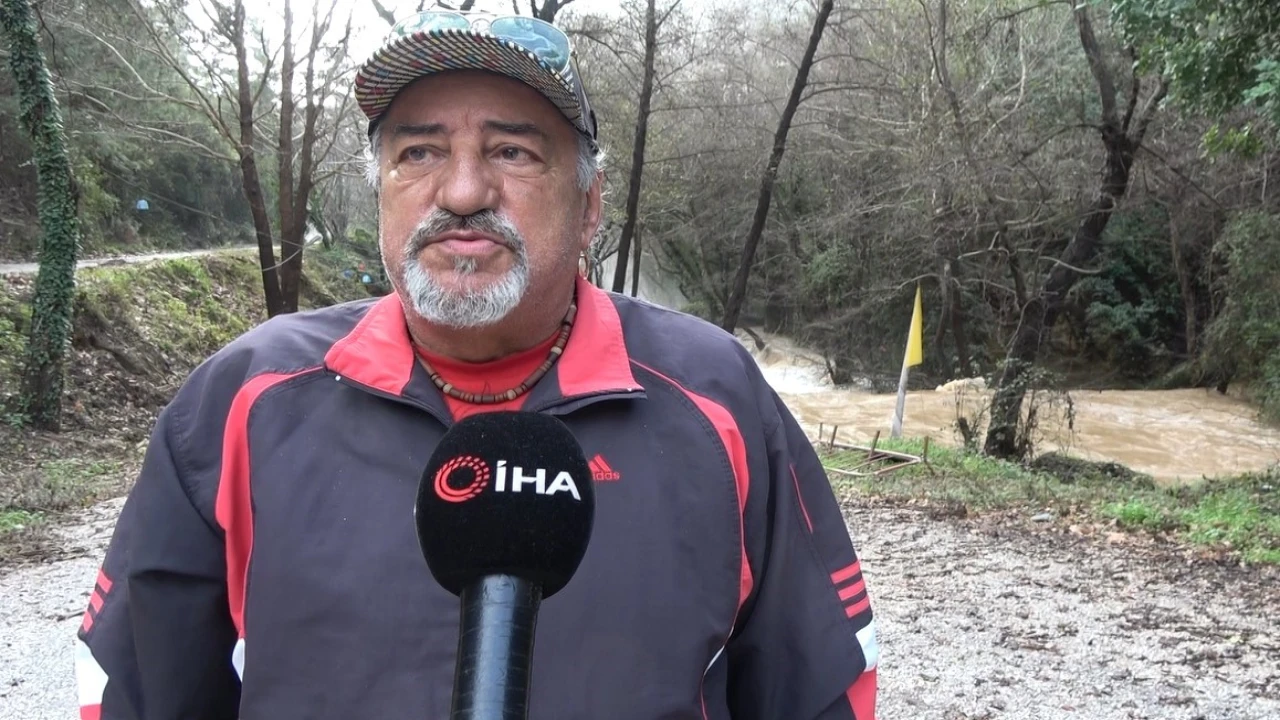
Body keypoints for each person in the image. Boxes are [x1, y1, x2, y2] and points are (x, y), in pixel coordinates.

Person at [73, 10, 880, 720]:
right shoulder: (242, 402)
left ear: (589, 204)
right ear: (381, 189)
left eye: (513, 151)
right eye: (420, 151)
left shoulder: (716, 400)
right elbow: (135, 690)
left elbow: (821, 690)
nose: (462, 191)